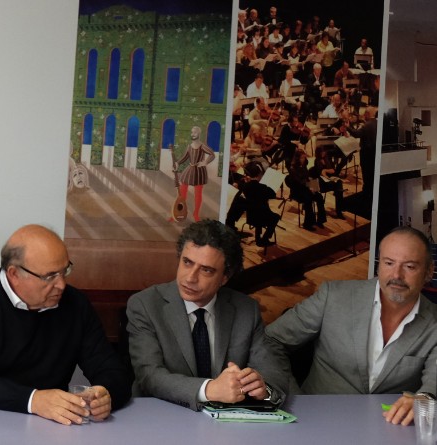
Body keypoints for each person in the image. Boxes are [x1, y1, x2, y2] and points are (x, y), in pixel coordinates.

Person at [0, 225, 131, 425]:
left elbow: (112, 370)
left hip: (51, 426)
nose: (61, 285)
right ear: (14, 274)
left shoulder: (75, 304)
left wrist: (106, 393)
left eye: (64, 271)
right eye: (49, 276)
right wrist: (33, 400)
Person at [266, 227, 437, 426]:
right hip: (314, 419)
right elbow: (271, 340)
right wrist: (293, 397)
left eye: (410, 266)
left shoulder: (434, 321)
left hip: (390, 426)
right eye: (389, 263)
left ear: (429, 271)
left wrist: (425, 399)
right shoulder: (333, 296)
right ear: (379, 265)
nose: (396, 275)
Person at [127, 220, 287, 410]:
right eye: (187, 262)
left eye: (206, 270)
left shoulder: (246, 309)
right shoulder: (145, 305)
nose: (190, 278)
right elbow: (149, 377)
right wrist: (208, 389)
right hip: (161, 415)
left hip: (226, 422)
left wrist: (262, 388)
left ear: (225, 277)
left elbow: (274, 374)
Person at [173, 126, 217, 221]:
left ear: (199, 134)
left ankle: (196, 214)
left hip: (199, 172)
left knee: (198, 194)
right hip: (189, 170)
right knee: (182, 191)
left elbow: (212, 154)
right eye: (192, 132)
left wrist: (205, 162)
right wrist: (177, 163)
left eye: (195, 132)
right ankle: (179, 212)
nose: (193, 134)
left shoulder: (202, 146)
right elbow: (185, 157)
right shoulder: (189, 146)